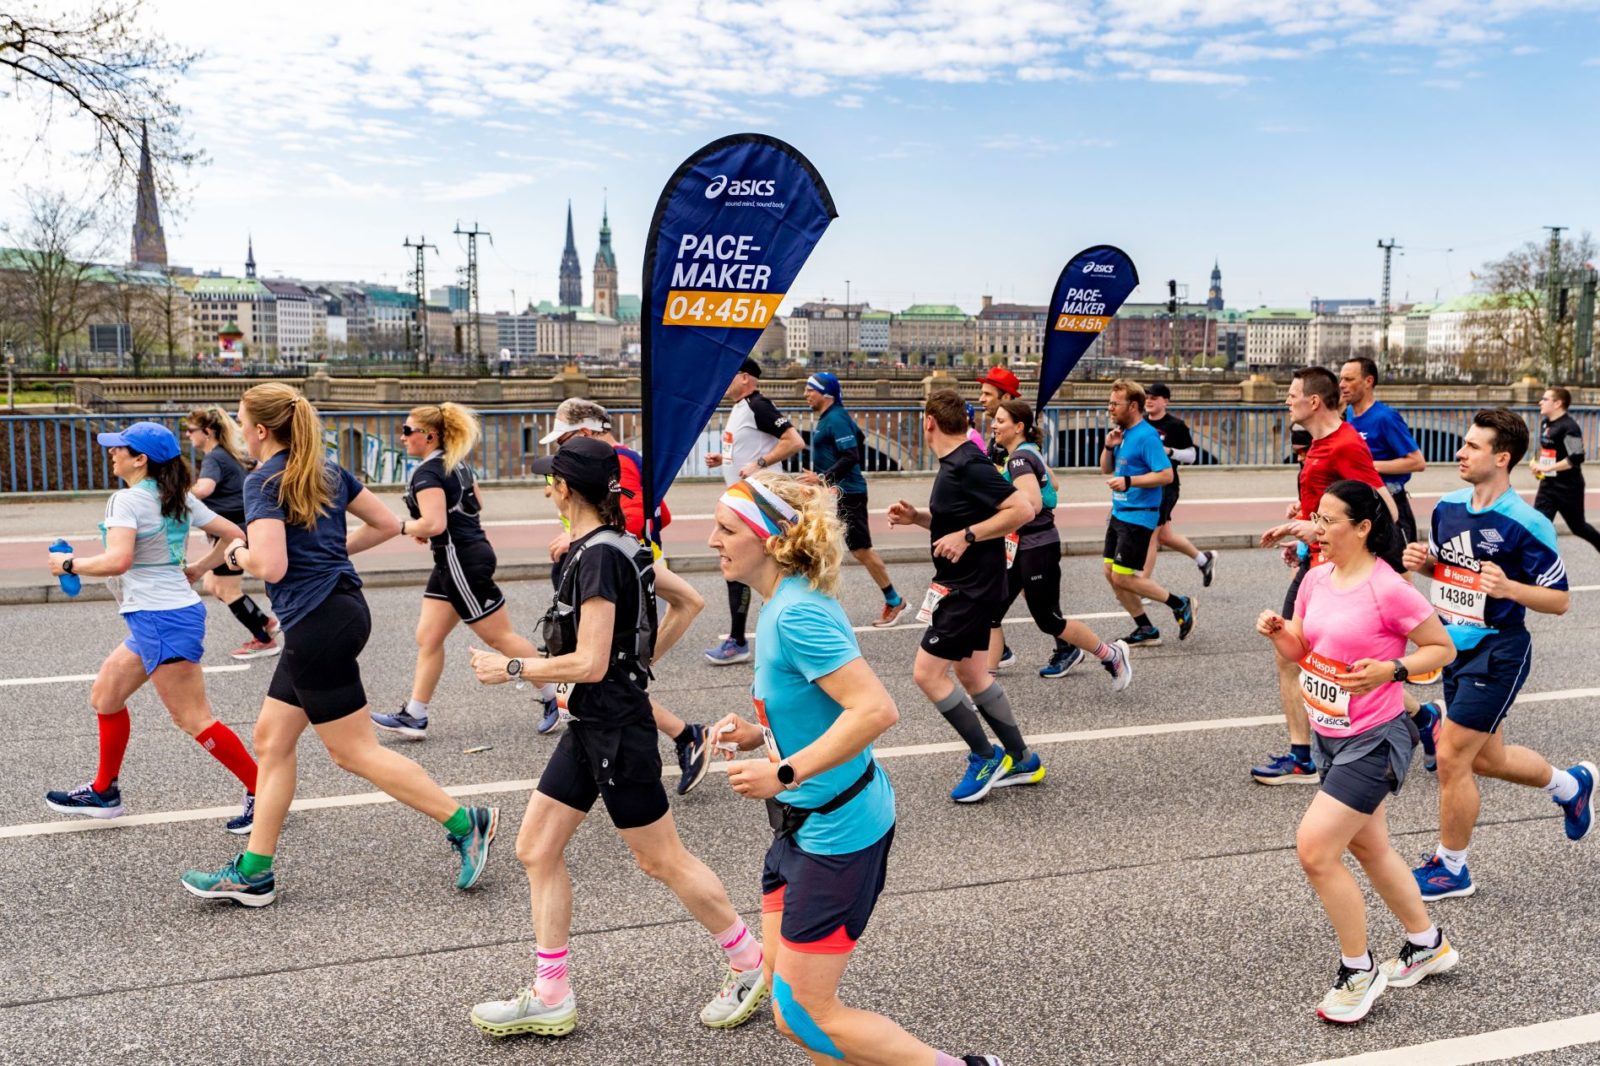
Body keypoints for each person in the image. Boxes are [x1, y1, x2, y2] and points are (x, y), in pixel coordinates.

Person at [466, 437, 768, 1038]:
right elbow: (689, 602)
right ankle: (551, 992)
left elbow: (590, 661)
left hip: (616, 730)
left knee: (661, 859)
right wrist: (639, 663)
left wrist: (515, 669)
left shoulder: (600, 557)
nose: (546, 487)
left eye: (551, 479)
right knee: (536, 848)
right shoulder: (625, 545)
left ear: (566, 489)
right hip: (593, 724)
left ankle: (752, 962)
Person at [709, 471, 1007, 1066]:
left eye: (724, 529)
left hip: (837, 831)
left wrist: (784, 772)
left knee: (805, 1012)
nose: (712, 540)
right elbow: (817, 709)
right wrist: (755, 736)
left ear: (769, 538)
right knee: (792, 1009)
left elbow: (876, 709)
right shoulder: (782, 605)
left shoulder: (796, 615)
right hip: (799, 826)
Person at [180, 384, 497, 907]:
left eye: (241, 423)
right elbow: (387, 524)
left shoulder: (264, 481)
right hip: (340, 610)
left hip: (316, 621)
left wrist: (237, 555)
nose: (239, 432)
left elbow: (271, 565)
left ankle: (467, 822)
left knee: (353, 751)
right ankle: (255, 872)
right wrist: (330, 549)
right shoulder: (326, 469)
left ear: (260, 431)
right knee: (271, 740)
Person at [1255, 479, 1459, 1024]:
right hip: (1330, 734)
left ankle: (1359, 970)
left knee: (1315, 850)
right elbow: (1304, 647)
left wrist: (1393, 669)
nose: (1315, 529)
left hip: (1376, 738)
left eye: (1327, 521)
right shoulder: (1316, 578)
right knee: (1370, 849)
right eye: (1315, 518)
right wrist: (1279, 633)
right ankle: (1427, 942)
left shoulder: (1388, 588)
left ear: (1363, 528)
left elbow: (1442, 647)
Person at [1404, 408, 1596, 900]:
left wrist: (1510, 587)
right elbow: (1453, 576)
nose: (1461, 452)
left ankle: (1452, 868)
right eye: (1464, 443)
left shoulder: (1528, 524)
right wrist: (1427, 565)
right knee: (1487, 759)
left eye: (1472, 446)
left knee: (1450, 755)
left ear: (1502, 457)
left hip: (1500, 650)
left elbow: (1559, 600)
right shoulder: (1447, 507)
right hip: (1453, 647)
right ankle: (1570, 786)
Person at [45, 421, 259, 834]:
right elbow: (233, 533)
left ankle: (262, 791)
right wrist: (196, 567)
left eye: (119, 448)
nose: (112, 453)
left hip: (161, 618)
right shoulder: (174, 495)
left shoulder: (125, 500)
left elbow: (118, 560)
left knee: (194, 718)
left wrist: (69, 564)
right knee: (106, 695)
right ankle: (104, 792)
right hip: (160, 616)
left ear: (140, 459)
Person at [540, 398, 714, 794]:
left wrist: (578, 536)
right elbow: (661, 513)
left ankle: (687, 735)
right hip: (614, 561)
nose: (559, 451)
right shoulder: (621, 459)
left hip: (615, 566)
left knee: (613, 676)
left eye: (563, 440)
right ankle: (684, 735)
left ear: (584, 433)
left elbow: (637, 514)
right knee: (613, 677)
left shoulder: (618, 460)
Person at [887, 389, 1042, 803]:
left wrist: (969, 535)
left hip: (970, 588)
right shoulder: (956, 465)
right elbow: (957, 519)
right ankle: (1024, 759)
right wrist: (917, 517)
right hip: (972, 583)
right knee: (973, 675)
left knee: (926, 673)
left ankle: (985, 755)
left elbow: (1024, 508)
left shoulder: (967, 464)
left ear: (929, 422)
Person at [1254, 367, 1402, 785]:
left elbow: (1381, 512)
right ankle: (1422, 718)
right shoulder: (1320, 444)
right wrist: (1303, 528)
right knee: (1316, 658)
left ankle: (1302, 758)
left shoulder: (1345, 445)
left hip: (1336, 568)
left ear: (1314, 401)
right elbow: (1335, 505)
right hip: (1317, 561)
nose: (1287, 401)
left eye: (1292, 394)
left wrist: (1315, 532)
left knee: (1297, 655)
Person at [370, 403, 544, 741]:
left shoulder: (427, 472)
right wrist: (429, 528)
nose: (402, 437)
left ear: (429, 435)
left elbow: (435, 522)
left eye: (408, 431)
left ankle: (559, 696)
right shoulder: (456, 464)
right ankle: (415, 715)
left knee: (500, 637)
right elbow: (473, 505)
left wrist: (402, 526)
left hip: (459, 561)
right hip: (458, 556)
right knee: (429, 637)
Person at [985, 399, 1132, 688]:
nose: (993, 425)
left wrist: (996, 509)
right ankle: (983, 689)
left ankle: (1111, 654)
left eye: (1000, 421)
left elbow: (1034, 503)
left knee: (1049, 621)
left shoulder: (1018, 459)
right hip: (1020, 546)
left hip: (1035, 548)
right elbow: (1054, 483)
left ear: (1019, 427)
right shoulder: (1028, 453)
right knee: (990, 613)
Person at [703, 356, 804, 665]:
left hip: (758, 503)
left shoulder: (759, 405)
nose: (724, 381)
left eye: (729, 375)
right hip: (741, 501)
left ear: (745, 378)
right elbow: (750, 448)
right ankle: (744, 638)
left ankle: (739, 640)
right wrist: (725, 459)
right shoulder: (739, 409)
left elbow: (794, 441)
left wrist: (759, 464)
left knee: (751, 566)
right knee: (744, 567)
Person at [799, 371, 906, 627]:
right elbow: (859, 437)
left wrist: (823, 478)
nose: (805, 394)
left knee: (861, 550)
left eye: (810, 389)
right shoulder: (832, 417)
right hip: (837, 492)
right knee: (820, 546)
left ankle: (895, 600)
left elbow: (851, 455)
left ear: (825, 394)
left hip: (851, 493)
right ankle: (819, 604)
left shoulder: (835, 418)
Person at [1098, 380, 1196, 647]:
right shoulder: (1124, 433)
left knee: (1121, 576)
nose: (1109, 408)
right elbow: (1105, 470)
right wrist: (1109, 446)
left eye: (1114, 404)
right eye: (1109, 403)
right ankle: (1145, 628)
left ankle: (1180, 603)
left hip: (1139, 516)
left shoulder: (1146, 435)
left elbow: (1165, 474)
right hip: (1120, 512)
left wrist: (1130, 481)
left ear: (1132, 406)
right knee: (1110, 572)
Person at [185, 406, 280, 659]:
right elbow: (259, 466)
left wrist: (177, 495)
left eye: (191, 430)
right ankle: (265, 622)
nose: (187, 435)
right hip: (235, 529)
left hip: (233, 532)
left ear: (207, 432)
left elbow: (205, 488)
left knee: (225, 588)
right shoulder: (230, 454)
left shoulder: (214, 458)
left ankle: (263, 638)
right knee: (213, 584)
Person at [1339, 358, 1426, 546]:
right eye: (1341, 379)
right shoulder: (1350, 414)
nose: (1342, 385)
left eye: (1349, 379)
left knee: (1398, 569)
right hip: (1362, 504)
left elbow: (1417, 462)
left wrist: (1369, 467)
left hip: (1390, 503)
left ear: (1368, 381)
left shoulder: (1386, 418)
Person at [1141, 383, 1217, 588]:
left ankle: (1142, 587)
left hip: (1166, 486)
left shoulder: (1175, 425)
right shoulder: (1139, 423)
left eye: (1154, 397)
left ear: (1165, 401)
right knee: (1165, 536)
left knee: (1150, 536)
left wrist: (1170, 452)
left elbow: (1191, 456)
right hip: (1144, 484)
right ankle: (1204, 559)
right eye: (1146, 396)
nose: (1148, 400)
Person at [1531, 386, 1600, 556]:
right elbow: (1548, 449)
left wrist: (1547, 467)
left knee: (1578, 527)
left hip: (1568, 487)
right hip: (1548, 485)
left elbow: (1576, 457)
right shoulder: (1545, 422)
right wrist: (1537, 465)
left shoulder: (1570, 427)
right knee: (1537, 526)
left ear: (1557, 403)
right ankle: (1535, 567)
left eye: (1545, 399)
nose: (1540, 402)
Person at [975, 365, 1021, 465]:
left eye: (987, 394)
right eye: (982, 393)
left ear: (1006, 397)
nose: (981, 399)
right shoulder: (1003, 428)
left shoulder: (1011, 435)